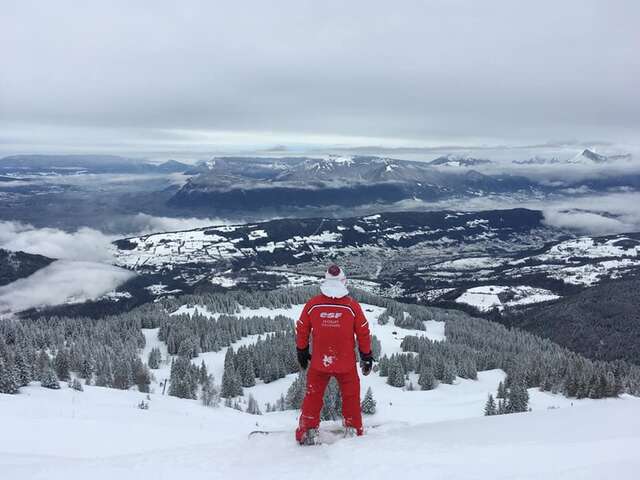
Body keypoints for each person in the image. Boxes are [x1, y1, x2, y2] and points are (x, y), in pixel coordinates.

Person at [295, 264, 373, 445]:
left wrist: (302, 350)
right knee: (351, 396)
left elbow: (302, 328)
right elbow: (363, 332)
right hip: (345, 362)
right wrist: (366, 356)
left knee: (313, 395)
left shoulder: (313, 304)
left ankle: (307, 430)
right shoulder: (352, 306)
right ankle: (353, 429)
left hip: (319, 362)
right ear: (343, 282)